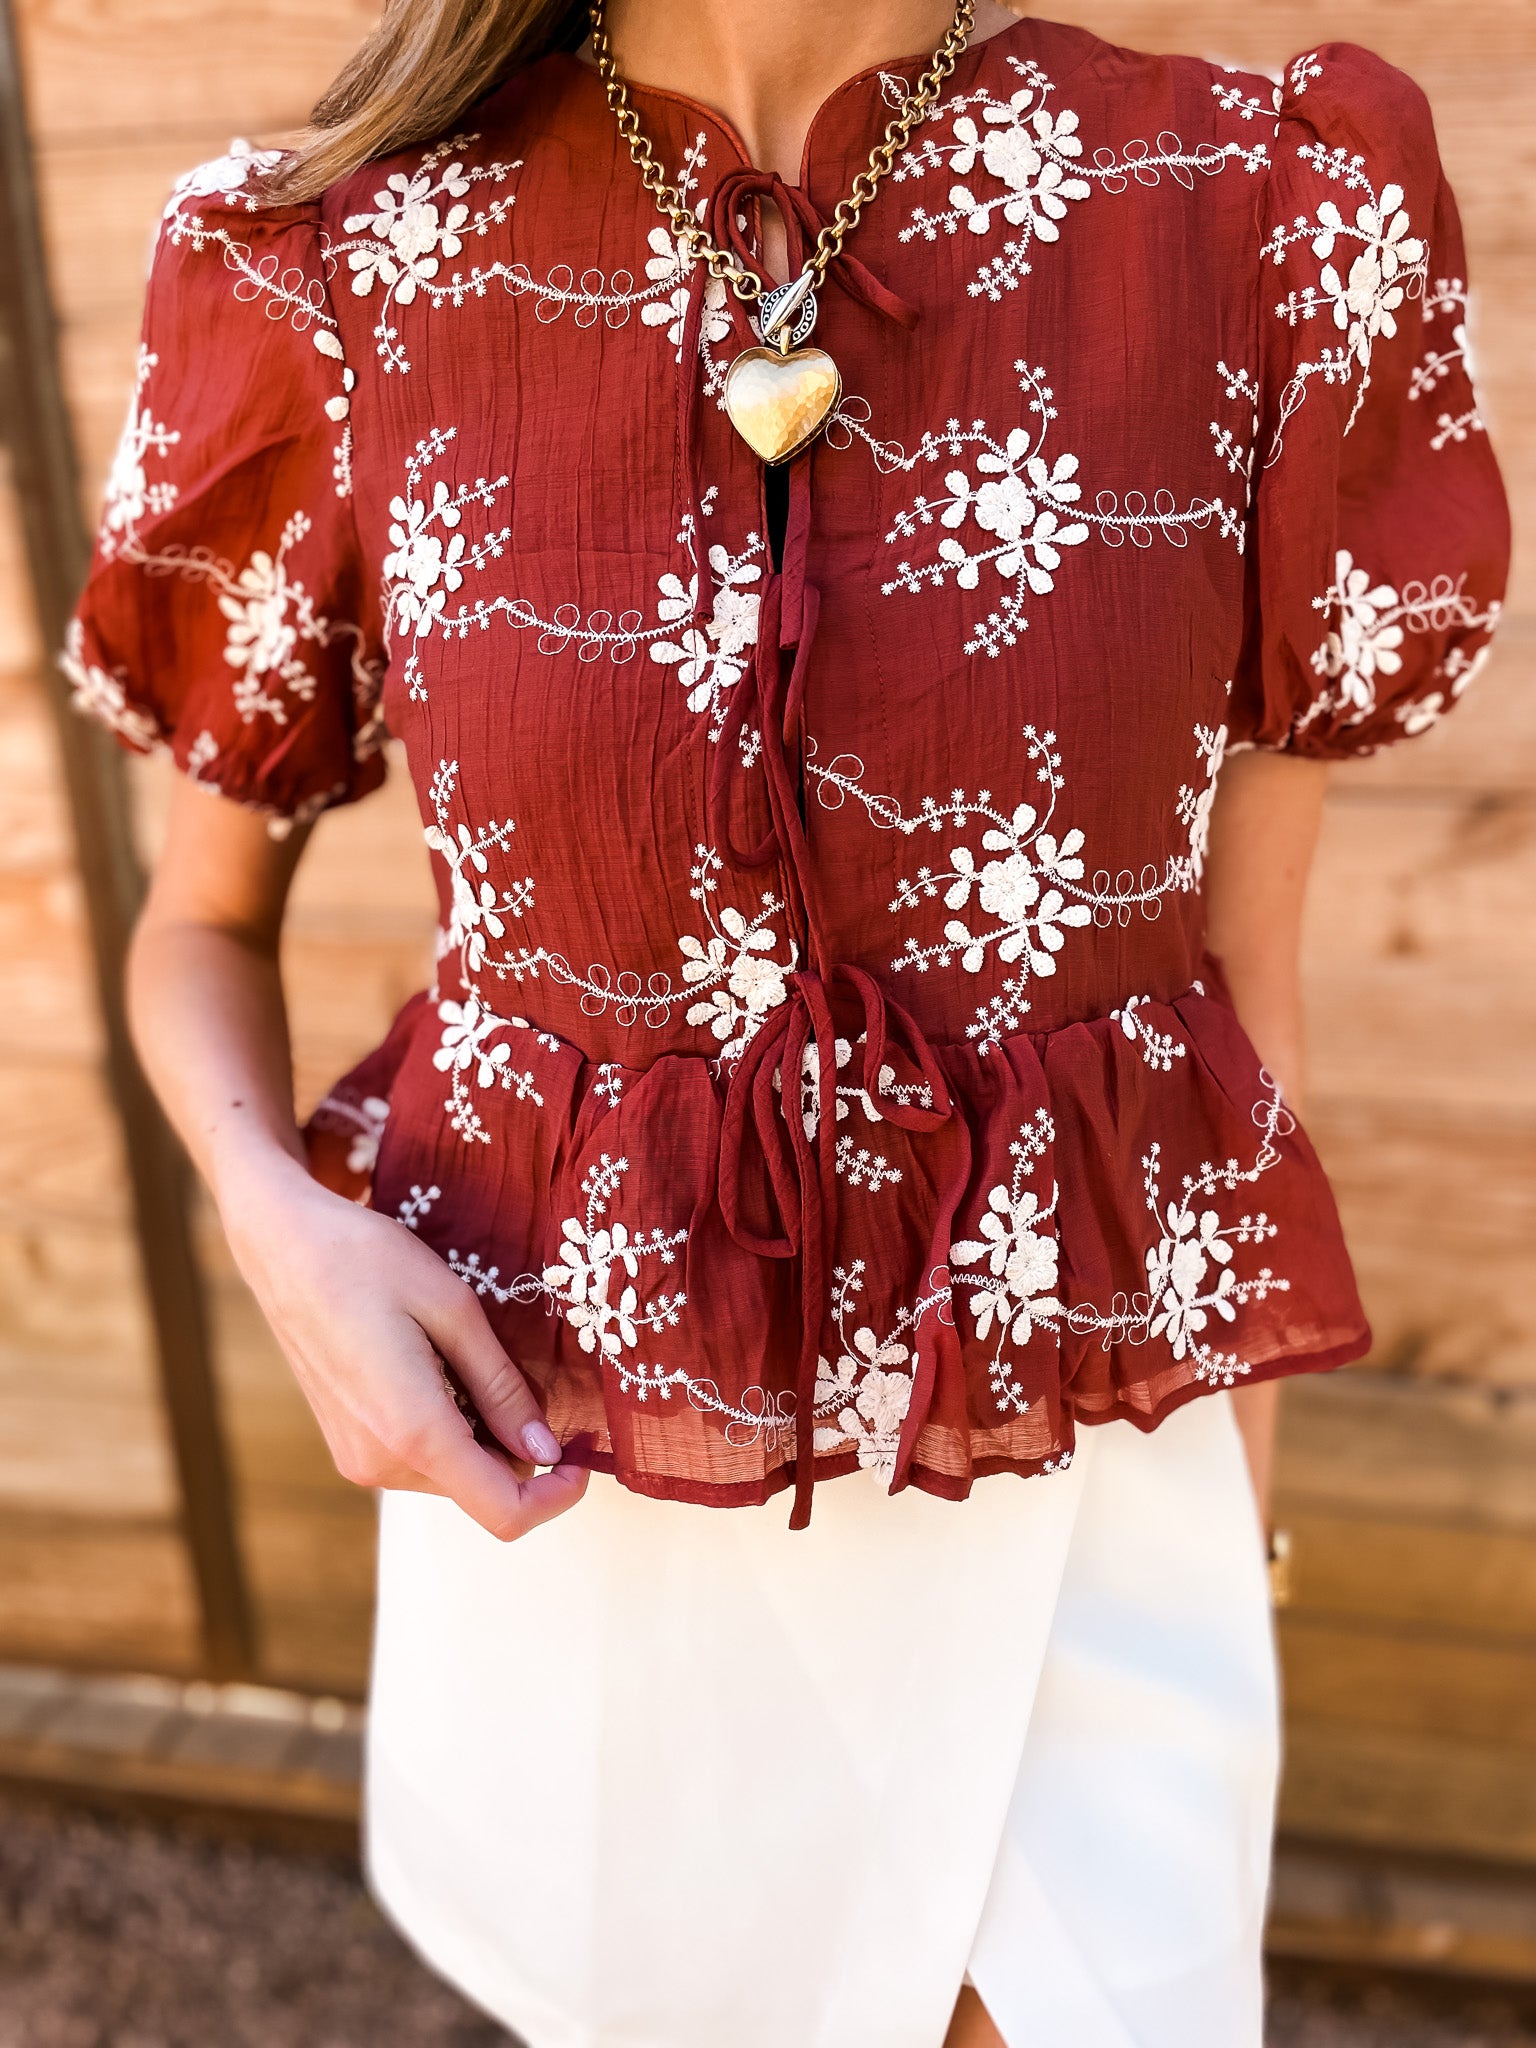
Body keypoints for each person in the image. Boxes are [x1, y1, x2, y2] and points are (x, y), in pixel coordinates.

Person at [63, 0, 1509, 2041]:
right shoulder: (341, 258)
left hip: (1079, 1492)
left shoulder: (1251, 210)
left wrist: (1231, 1561)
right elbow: (199, 925)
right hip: (586, 1495)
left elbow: (1235, 1011)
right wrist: (282, 1231)